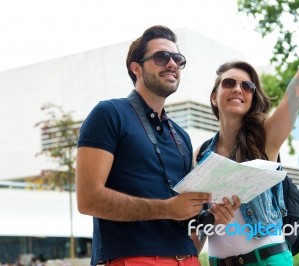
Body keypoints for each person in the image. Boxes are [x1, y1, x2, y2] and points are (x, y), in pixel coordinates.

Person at [75, 25, 239, 266]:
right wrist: (166, 209)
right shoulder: (109, 113)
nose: (172, 64)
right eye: (162, 57)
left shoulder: (181, 136)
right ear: (136, 67)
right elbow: (88, 199)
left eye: (178, 59)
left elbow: (187, 222)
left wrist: (210, 220)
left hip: (188, 259)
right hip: (130, 259)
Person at [194, 8, 299, 266]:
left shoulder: (265, 138)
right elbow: (197, 220)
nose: (238, 89)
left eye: (247, 86)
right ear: (214, 96)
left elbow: (294, 98)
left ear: (252, 98)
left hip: (267, 260)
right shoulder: (202, 153)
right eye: (228, 83)